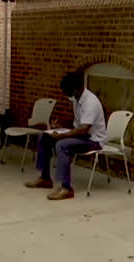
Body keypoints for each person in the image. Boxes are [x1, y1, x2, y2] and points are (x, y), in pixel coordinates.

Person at [24, 72, 107, 201]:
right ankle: (45, 178)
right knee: (45, 137)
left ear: (76, 89)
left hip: (93, 140)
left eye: (68, 92)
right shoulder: (78, 98)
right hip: (82, 136)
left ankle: (66, 188)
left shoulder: (90, 102)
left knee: (62, 145)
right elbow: (77, 122)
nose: (67, 96)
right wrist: (60, 124)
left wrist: (62, 136)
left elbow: (84, 129)